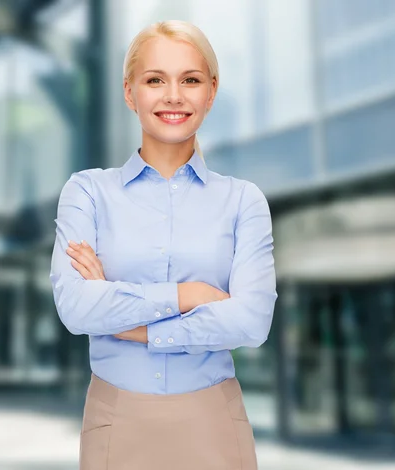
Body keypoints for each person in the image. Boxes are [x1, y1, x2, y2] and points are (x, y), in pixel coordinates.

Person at [50, 19, 277, 470]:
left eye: (190, 80)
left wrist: (131, 326)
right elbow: (77, 309)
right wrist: (187, 296)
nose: (174, 95)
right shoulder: (89, 193)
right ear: (130, 92)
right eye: (155, 80)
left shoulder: (242, 200)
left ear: (210, 92)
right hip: (117, 420)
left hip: (213, 420)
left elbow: (251, 322)